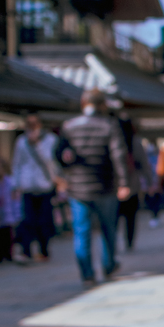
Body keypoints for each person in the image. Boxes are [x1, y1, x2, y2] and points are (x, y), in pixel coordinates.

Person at [58, 90, 130, 287]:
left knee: (82, 231)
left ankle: (87, 273)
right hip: (104, 185)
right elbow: (118, 155)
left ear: (83, 103)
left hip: (77, 187)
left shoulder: (69, 126)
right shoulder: (108, 125)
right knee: (108, 228)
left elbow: (57, 153)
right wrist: (123, 182)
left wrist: (66, 171)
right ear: (103, 105)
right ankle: (108, 264)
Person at [11, 113, 60, 263]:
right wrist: (15, 184)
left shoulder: (50, 140)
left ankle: (43, 250)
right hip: (28, 186)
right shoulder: (21, 142)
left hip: (45, 185)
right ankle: (26, 251)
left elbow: (52, 161)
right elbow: (17, 164)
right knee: (27, 220)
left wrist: (37, 145)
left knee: (44, 220)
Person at [116, 114, 154, 252]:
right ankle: (129, 242)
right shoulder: (135, 141)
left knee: (113, 218)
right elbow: (144, 164)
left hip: (114, 186)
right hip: (132, 185)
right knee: (130, 217)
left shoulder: (113, 141)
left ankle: (111, 243)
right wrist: (150, 183)